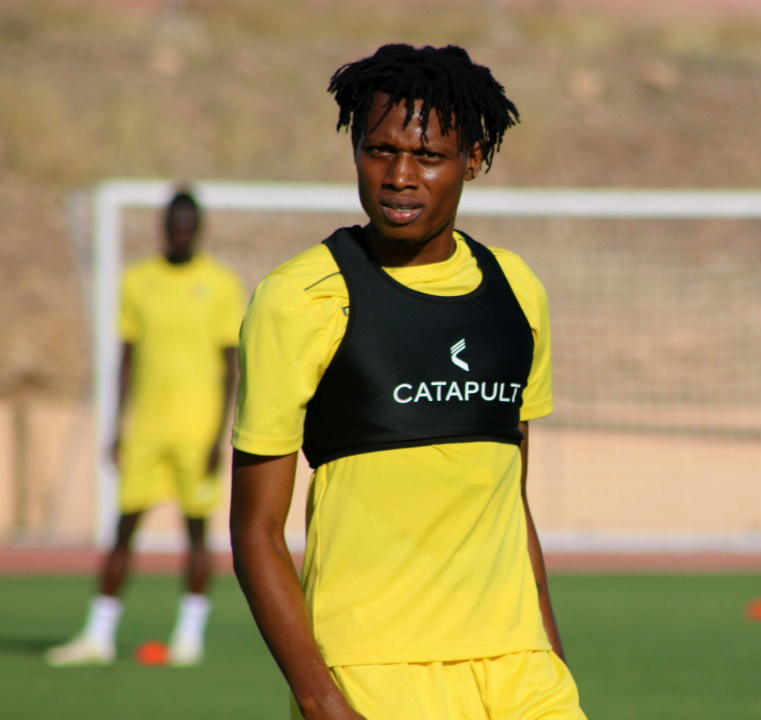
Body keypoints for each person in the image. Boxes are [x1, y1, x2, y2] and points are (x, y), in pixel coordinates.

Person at [230, 44, 587, 719]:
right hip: (374, 674)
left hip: (522, 674)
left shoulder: (517, 291)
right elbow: (257, 531)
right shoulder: (299, 299)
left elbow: (510, 500)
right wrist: (321, 700)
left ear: (473, 160)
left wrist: (552, 657)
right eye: (379, 151)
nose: (399, 177)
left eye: (428, 156)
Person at [47, 188, 245, 667]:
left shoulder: (220, 284)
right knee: (123, 529)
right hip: (147, 430)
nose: (181, 234)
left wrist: (219, 436)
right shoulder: (138, 282)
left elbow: (230, 366)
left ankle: (189, 637)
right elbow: (127, 358)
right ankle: (98, 636)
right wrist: (118, 426)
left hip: (197, 432)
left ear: (199, 230)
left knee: (196, 532)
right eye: (174, 226)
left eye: (188, 227)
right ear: (163, 228)